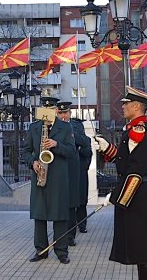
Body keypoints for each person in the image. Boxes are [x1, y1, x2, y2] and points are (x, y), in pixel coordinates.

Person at [94, 86, 147, 279]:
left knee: (143, 246)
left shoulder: (138, 130)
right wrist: (106, 148)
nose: (123, 107)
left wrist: (114, 196)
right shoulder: (135, 129)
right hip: (138, 194)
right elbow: (125, 160)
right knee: (140, 244)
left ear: (136, 106)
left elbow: (135, 171)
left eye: (126, 104)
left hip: (138, 195)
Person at [22, 96, 74, 264]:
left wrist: (56, 145)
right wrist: (33, 162)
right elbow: (25, 151)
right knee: (40, 214)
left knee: (60, 216)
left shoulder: (65, 128)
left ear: (56, 111)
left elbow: (72, 152)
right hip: (40, 175)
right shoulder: (34, 127)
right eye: (45, 110)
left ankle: (61, 251)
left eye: (51, 110)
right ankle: (41, 250)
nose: (48, 113)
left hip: (58, 179)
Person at [56, 101, 81, 247]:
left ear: (70, 113)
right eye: (60, 113)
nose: (63, 115)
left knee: (71, 204)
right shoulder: (54, 127)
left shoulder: (76, 126)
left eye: (66, 113)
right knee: (60, 204)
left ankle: (70, 236)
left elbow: (85, 142)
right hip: (59, 168)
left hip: (72, 168)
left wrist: (71, 136)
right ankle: (59, 236)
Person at [70, 109, 93, 234]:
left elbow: (88, 153)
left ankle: (82, 224)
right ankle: (72, 225)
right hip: (71, 174)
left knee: (82, 201)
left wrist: (80, 148)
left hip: (82, 173)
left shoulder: (86, 140)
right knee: (72, 202)